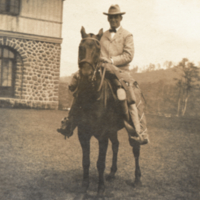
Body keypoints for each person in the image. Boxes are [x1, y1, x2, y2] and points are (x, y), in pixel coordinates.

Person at [58, 5, 148, 144]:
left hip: (120, 71)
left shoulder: (127, 35)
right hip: (101, 69)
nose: (113, 20)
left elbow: (128, 55)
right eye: (111, 17)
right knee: (78, 84)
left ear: (120, 18)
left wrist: (111, 60)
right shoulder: (102, 36)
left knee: (128, 94)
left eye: (116, 17)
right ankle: (69, 123)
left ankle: (137, 131)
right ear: (108, 19)